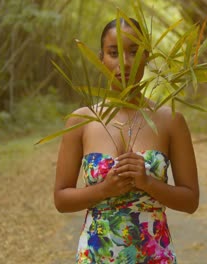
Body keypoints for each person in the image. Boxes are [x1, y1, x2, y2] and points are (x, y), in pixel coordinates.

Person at [54, 18, 199, 263]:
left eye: (134, 52)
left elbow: (190, 201)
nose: (125, 63)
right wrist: (104, 190)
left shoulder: (170, 120)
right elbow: (61, 199)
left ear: (148, 58)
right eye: (114, 53)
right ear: (101, 58)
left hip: (154, 255)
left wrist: (148, 183)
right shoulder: (81, 120)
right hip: (96, 254)